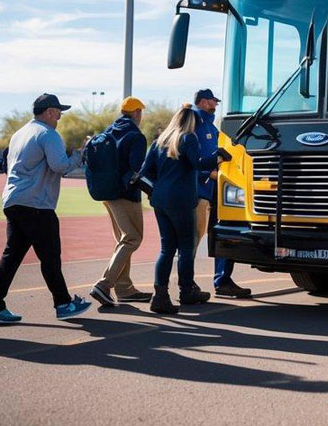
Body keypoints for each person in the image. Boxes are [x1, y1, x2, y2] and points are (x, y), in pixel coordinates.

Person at [0, 95, 92, 324]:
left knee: (12, 256)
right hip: (36, 204)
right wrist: (79, 155)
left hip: (13, 200)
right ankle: (64, 303)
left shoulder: (19, 134)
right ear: (48, 112)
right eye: (58, 112)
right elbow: (60, 166)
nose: (60, 116)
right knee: (50, 255)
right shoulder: (48, 134)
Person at [140, 105, 230, 314]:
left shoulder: (159, 142)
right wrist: (219, 155)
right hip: (181, 200)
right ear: (191, 122)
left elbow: (145, 172)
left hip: (160, 200)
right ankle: (186, 290)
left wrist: (161, 187)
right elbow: (198, 163)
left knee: (166, 249)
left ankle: (160, 296)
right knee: (186, 248)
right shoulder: (188, 138)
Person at [88, 97, 152, 307]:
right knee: (133, 238)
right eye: (140, 112)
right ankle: (105, 284)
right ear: (136, 113)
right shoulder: (135, 136)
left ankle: (124, 289)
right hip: (125, 195)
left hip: (105, 193)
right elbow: (136, 170)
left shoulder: (108, 131)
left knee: (123, 240)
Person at [191, 89, 251, 299]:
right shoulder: (192, 123)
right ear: (204, 101)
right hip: (198, 190)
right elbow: (189, 158)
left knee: (222, 232)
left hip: (213, 190)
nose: (216, 105)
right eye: (213, 102)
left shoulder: (211, 125)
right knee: (192, 241)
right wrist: (210, 173)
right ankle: (187, 285)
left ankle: (222, 280)